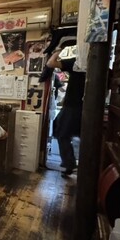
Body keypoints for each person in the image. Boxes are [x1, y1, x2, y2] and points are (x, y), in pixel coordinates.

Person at [47, 46, 85, 177]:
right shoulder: (100, 64)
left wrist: (58, 49)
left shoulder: (77, 62)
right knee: (84, 136)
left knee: (61, 133)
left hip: (72, 106)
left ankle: (69, 164)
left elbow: (50, 63)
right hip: (88, 106)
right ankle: (78, 166)